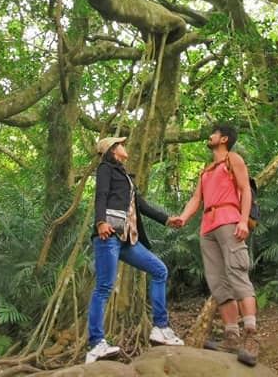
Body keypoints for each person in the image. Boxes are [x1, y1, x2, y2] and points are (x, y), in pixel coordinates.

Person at [85, 135, 184, 364]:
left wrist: (167, 219)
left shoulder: (125, 176)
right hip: (108, 236)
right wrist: (100, 222)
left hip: (127, 239)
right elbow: (100, 196)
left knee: (159, 270)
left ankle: (160, 327)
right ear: (112, 150)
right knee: (104, 287)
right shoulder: (105, 169)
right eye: (121, 144)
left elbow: (142, 205)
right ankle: (96, 344)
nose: (124, 145)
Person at [174, 123, 260, 366]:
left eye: (213, 133)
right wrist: (183, 217)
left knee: (237, 274)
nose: (209, 136)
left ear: (223, 139)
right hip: (207, 227)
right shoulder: (207, 170)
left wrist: (243, 221)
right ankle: (231, 337)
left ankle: (251, 337)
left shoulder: (233, 159)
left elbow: (245, 190)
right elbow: (196, 199)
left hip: (229, 220)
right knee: (218, 282)